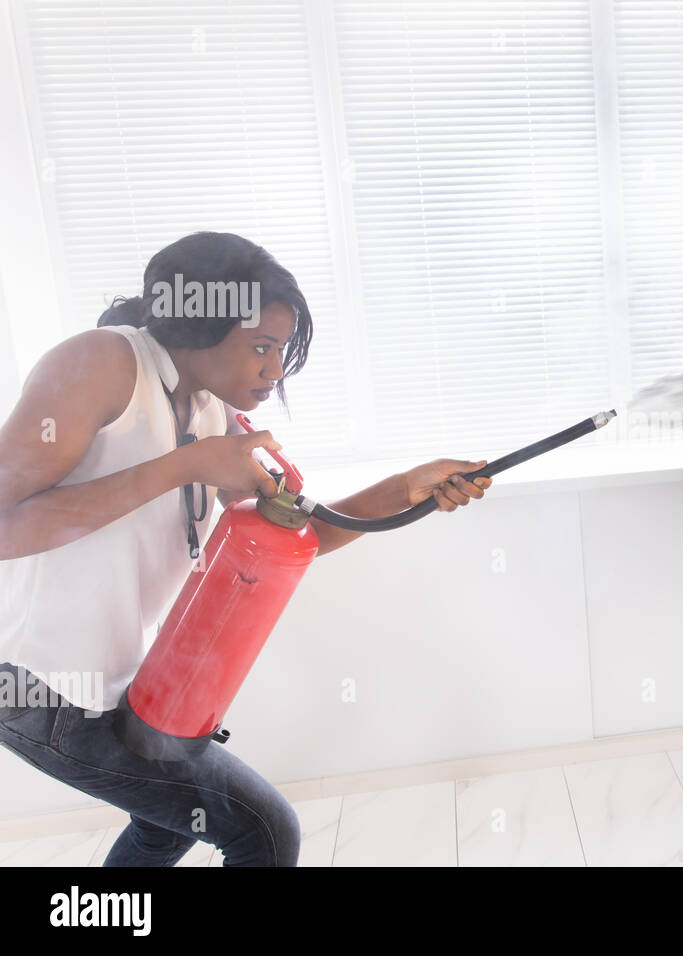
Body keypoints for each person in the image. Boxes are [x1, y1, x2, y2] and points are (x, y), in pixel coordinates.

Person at [0, 232, 491, 866]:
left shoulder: (215, 416)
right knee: (261, 829)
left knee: (166, 823)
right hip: (40, 686)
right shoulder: (101, 363)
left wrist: (408, 489)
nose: (275, 370)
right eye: (261, 347)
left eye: (281, 349)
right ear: (198, 322)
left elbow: (297, 538)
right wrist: (184, 467)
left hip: (128, 680)